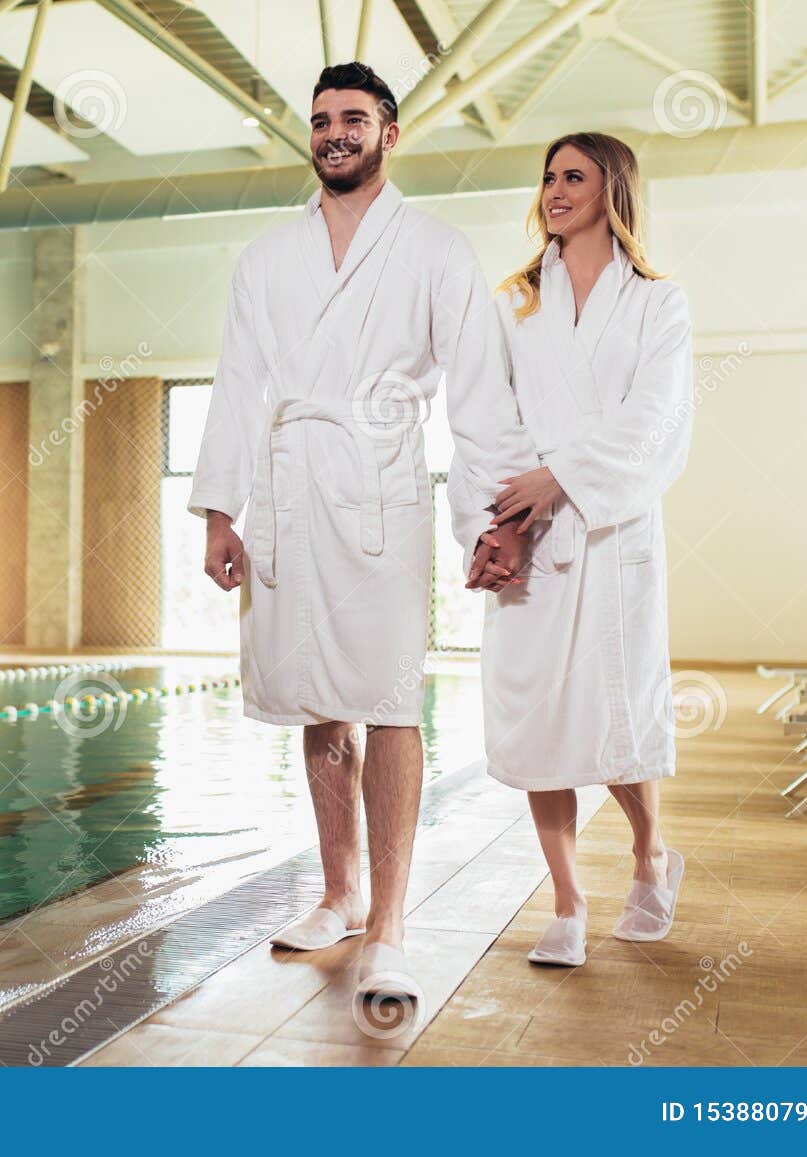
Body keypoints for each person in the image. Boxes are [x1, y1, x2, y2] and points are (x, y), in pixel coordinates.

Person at [189, 62, 536, 1005]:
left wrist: (490, 521)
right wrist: (223, 511)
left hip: (382, 487)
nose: (333, 133)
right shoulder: (265, 259)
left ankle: (390, 921)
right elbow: (237, 385)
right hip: (291, 489)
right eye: (320, 121)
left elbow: (478, 398)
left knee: (387, 697)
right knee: (316, 699)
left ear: (390, 132)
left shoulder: (433, 248)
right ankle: (339, 892)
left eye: (352, 118)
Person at [476, 131, 695, 967]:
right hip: (529, 533)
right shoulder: (515, 300)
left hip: (611, 530)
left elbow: (654, 422)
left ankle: (649, 851)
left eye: (575, 175)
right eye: (549, 177)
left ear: (614, 190)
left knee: (617, 712)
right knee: (536, 716)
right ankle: (566, 898)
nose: (556, 189)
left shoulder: (656, 302)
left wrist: (559, 477)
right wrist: (500, 519)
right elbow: (489, 415)